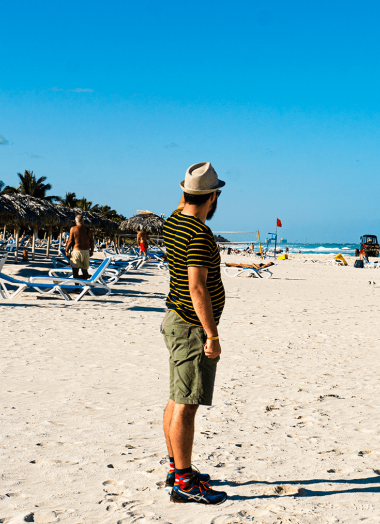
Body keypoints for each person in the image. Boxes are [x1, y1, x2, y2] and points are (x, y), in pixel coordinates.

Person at [160, 162, 228, 505]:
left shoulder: (174, 221)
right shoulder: (198, 233)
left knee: (177, 397)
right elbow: (197, 288)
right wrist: (212, 335)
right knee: (187, 404)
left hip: (175, 317)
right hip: (190, 326)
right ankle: (184, 482)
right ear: (212, 196)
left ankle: (177, 469)